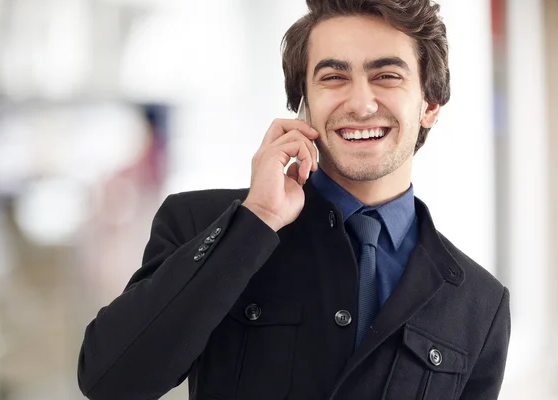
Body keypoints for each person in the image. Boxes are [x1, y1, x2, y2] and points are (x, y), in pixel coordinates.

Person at [77, 0, 510, 399]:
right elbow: (110, 381)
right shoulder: (197, 222)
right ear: (303, 103)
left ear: (430, 105)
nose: (360, 104)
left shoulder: (479, 306)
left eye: (386, 75)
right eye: (334, 77)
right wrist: (256, 219)